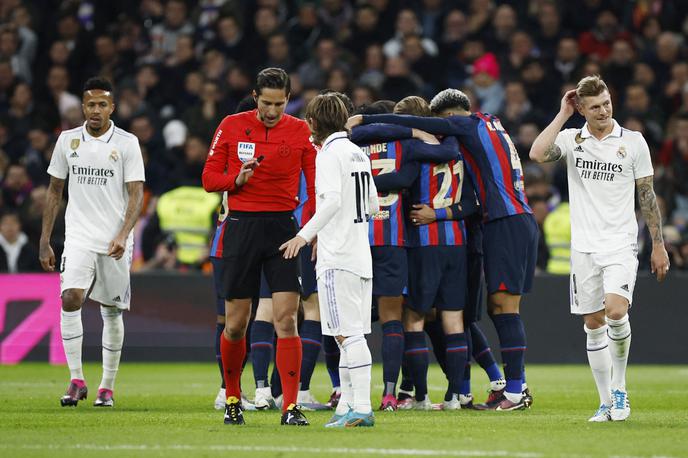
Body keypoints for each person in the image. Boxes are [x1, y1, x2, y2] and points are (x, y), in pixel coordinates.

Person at [349, 88, 538, 410]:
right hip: (496, 227)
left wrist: (364, 120)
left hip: (475, 229)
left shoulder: (455, 130)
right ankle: (475, 390)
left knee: (431, 316)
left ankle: (508, 391)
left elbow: (406, 131)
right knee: (474, 314)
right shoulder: (490, 124)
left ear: (447, 118)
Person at [529, 75, 669, 422]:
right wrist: (563, 114)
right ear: (582, 109)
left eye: (606, 103)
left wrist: (658, 245)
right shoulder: (571, 139)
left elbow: (647, 195)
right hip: (584, 248)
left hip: (620, 242)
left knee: (616, 311)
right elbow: (536, 153)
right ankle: (605, 401)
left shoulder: (633, 142)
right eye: (595, 106)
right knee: (593, 323)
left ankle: (620, 390)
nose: (604, 110)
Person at [202, 67, 315, 426]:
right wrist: (235, 179)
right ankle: (233, 398)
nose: (272, 111)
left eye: (279, 104)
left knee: (286, 319)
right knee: (236, 324)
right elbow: (208, 178)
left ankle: (290, 406)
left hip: (283, 230)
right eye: (267, 103)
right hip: (242, 227)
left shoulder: (299, 131)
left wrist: (309, 232)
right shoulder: (232, 125)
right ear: (255, 97)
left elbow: (314, 188)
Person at [39, 76, 145, 408]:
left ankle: (106, 386)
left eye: (102, 104)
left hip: (114, 240)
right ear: (82, 107)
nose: (95, 110)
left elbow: (135, 195)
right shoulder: (67, 141)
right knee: (70, 298)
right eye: (90, 104)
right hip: (79, 237)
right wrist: (45, 240)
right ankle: (76, 380)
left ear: (112, 107)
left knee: (112, 312)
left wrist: (123, 234)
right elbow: (55, 192)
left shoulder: (127, 143)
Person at [281, 93, 380, 428]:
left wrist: (303, 236)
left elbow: (332, 202)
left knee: (346, 336)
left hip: (337, 257)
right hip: (360, 256)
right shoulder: (357, 152)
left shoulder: (327, 154)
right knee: (349, 335)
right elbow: (374, 206)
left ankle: (362, 408)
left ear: (313, 122)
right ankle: (347, 407)